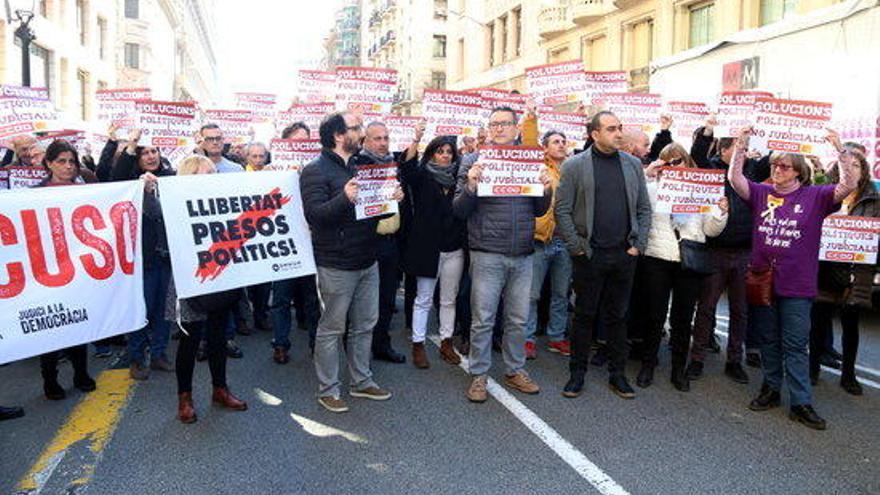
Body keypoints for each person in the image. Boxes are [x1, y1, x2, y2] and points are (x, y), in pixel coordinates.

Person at [730, 128, 857, 430]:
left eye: (784, 166)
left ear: (798, 171)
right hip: (764, 279)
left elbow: (847, 184)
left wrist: (840, 149)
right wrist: (741, 145)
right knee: (768, 340)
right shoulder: (761, 193)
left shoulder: (816, 197)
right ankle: (771, 388)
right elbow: (735, 180)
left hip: (797, 284)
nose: (777, 170)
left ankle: (801, 401)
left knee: (796, 343)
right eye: (775, 164)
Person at [300, 111, 401, 413]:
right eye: (356, 128)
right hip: (335, 263)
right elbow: (315, 216)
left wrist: (390, 201)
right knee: (332, 328)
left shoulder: (361, 167)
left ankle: (362, 381)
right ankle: (328, 389)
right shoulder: (314, 171)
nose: (361, 133)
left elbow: (372, 211)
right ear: (338, 135)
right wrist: (344, 197)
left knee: (364, 325)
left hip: (367, 259)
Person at [453, 106, 552, 403]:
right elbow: (458, 209)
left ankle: (514, 370)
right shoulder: (473, 160)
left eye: (505, 124)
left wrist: (546, 189)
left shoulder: (531, 161)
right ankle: (479, 375)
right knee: (483, 319)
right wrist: (471, 184)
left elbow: (539, 210)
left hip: (522, 252)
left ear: (516, 128)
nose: (499, 129)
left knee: (518, 319)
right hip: (487, 252)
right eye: (494, 124)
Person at [555, 111, 652, 399]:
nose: (618, 133)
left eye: (620, 128)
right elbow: (562, 210)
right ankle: (577, 374)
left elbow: (644, 209)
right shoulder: (575, 165)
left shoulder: (633, 164)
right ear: (594, 134)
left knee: (618, 317)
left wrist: (638, 245)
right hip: (590, 254)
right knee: (585, 315)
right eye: (611, 129)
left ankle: (618, 375)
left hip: (624, 254)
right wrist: (577, 248)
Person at [636, 143, 728, 391]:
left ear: (687, 162)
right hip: (657, 257)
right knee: (654, 315)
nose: (675, 166)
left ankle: (678, 369)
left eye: (679, 161)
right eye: (669, 162)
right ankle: (648, 363)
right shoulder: (653, 189)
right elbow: (634, 201)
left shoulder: (702, 191)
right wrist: (647, 174)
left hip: (689, 260)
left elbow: (711, 230)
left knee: (682, 317)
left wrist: (720, 213)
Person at [687, 118, 770, 380]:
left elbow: (771, 159)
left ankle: (734, 360)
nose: (741, 154)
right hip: (716, 251)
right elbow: (697, 154)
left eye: (743, 150)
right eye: (736, 148)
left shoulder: (752, 171)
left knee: (740, 310)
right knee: (706, 308)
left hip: (744, 251)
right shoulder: (710, 170)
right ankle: (697, 357)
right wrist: (708, 131)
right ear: (723, 150)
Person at [170, 155, 248, 424]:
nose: (212, 178)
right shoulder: (172, 204)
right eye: (206, 174)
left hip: (221, 276)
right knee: (190, 342)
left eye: (214, 173)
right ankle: (185, 398)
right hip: (190, 279)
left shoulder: (224, 202)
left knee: (218, 338)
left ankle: (220, 389)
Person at [810, 145, 877, 396]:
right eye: (846, 165)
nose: (851, 169)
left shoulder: (874, 199)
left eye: (857, 165)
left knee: (851, 324)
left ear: (864, 170)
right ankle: (812, 367)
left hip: (856, 271)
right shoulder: (826, 195)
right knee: (818, 322)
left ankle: (849, 374)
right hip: (825, 269)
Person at [33, 140, 97, 400]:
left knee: (79, 323)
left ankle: (81, 373)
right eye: (61, 161)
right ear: (48, 163)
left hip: (77, 269)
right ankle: (49, 380)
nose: (68, 166)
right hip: (46, 271)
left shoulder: (85, 192)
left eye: (72, 161)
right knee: (50, 328)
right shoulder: (32, 194)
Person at [110, 129, 176, 380]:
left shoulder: (170, 178)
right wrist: (130, 146)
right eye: (144, 152)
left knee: (164, 310)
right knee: (141, 310)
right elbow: (114, 175)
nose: (151, 156)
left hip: (167, 258)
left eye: (154, 151)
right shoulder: (128, 182)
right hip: (143, 260)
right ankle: (137, 357)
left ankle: (159, 354)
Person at [401, 135, 466, 368]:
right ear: (431, 154)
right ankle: (418, 345)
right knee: (424, 299)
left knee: (449, 299)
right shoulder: (422, 176)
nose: (445, 155)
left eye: (449, 152)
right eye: (440, 151)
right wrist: (416, 139)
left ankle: (446, 343)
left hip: (454, 248)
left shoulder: (460, 178)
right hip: (428, 248)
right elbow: (407, 168)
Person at [356, 121, 418, 364]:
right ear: (366, 141)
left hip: (392, 242)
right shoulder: (357, 166)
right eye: (377, 138)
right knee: (363, 301)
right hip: (367, 242)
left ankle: (381, 344)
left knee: (387, 298)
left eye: (386, 138)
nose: (382, 143)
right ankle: (359, 351)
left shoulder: (394, 166)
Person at [523, 123, 572, 360]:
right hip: (540, 240)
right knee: (532, 295)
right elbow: (528, 144)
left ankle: (557, 337)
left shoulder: (572, 171)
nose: (561, 145)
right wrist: (531, 118)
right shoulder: (539, 168)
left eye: (563, 142)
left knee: (561, 294)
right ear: (544, 148)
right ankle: (527, 339)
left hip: (564, 241)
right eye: (556, 141)